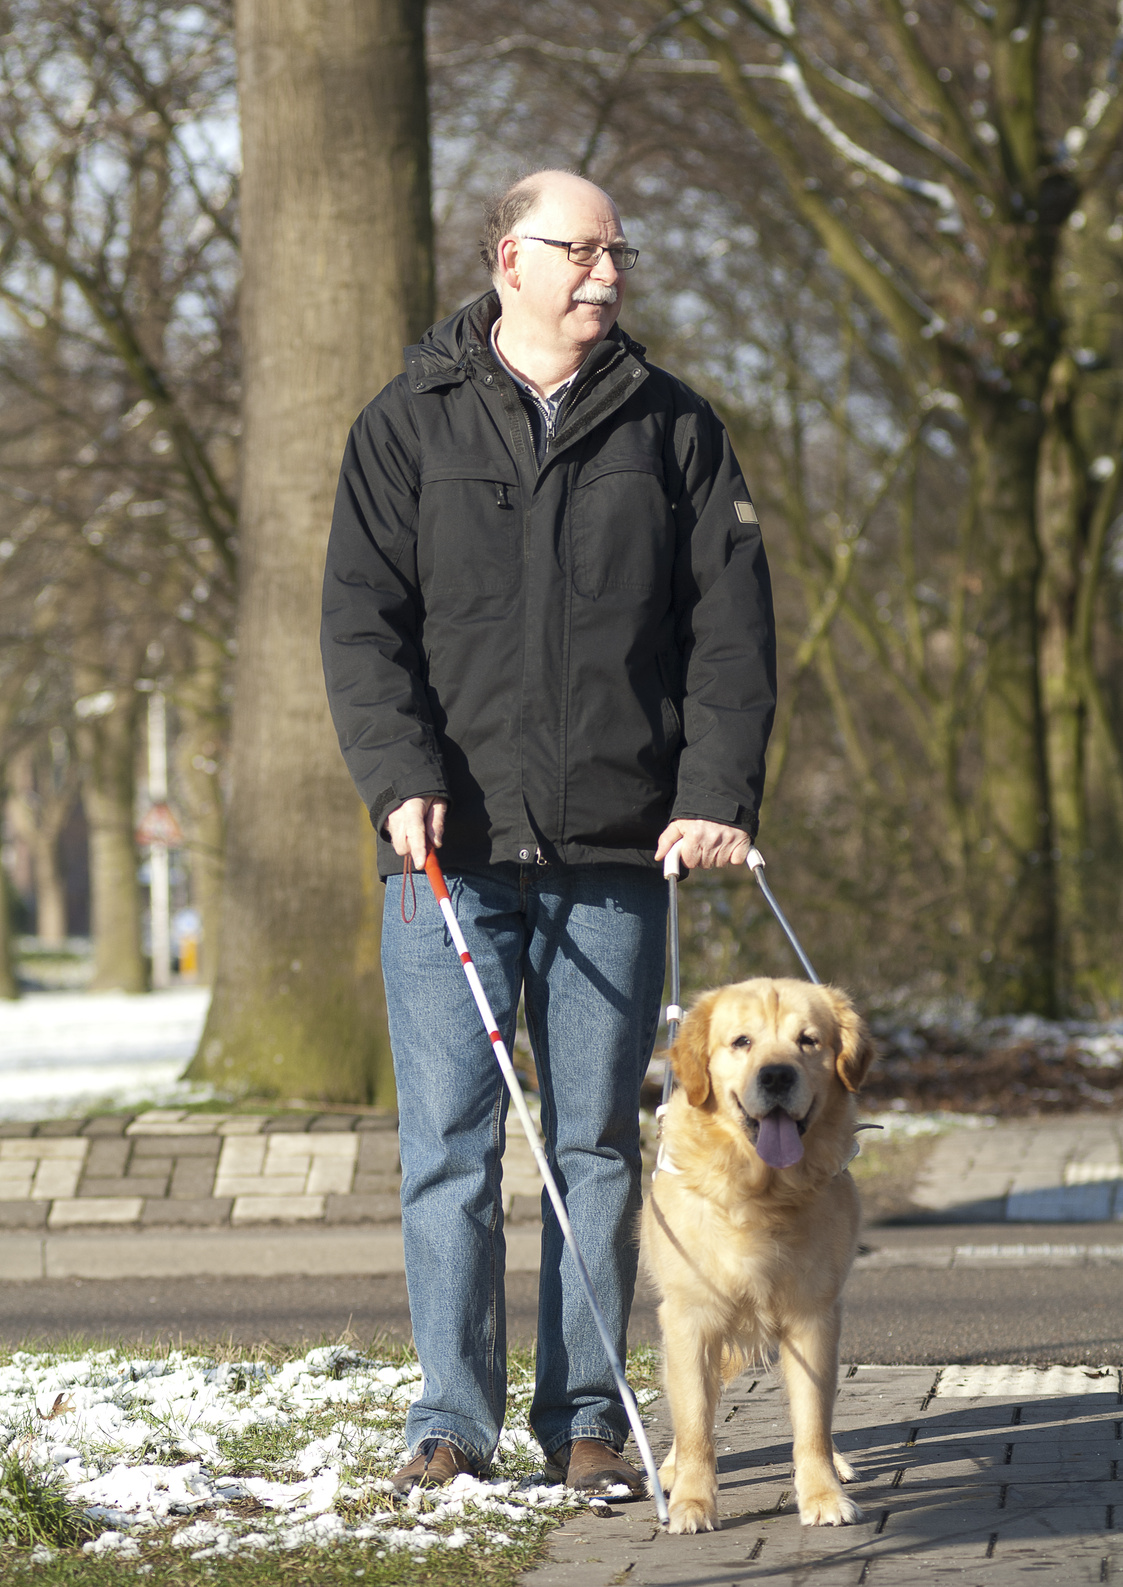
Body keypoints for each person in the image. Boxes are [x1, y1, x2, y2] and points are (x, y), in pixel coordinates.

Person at [321, 170, 776, 1497]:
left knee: (594, 1148)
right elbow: (362, 625)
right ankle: (449, 1421)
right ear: (512, 256)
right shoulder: (405, 424)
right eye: (584, 251)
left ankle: (584, 1417)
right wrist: (396, 776)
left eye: (619, 252)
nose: (609, 275)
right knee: (451, 1152)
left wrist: (717, 791)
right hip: (444, 856)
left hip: (619, 853)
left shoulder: (676, 429)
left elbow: (731, 634)